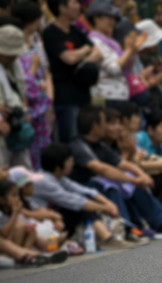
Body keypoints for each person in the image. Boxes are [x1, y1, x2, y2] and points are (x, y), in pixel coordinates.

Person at [69, 105, 162, 240]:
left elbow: (122, 163)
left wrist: (140, 175)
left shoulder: (100, 145)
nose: (106, 127)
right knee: (115, 185)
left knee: (130, 182)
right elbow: (102, 169)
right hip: (86, 187)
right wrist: (133, 179)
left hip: (102, 183)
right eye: (105, 122)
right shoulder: (79, 145)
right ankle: (128, 227)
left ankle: (161, 223)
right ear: (95, 126)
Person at [31, 143, 132, 249]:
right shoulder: (45, 181)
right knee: (82, 205)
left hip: (53, 219)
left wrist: (108, 203)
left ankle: (107, 237)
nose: (72, 163)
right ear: (58, 166)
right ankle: (107, 238)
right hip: (41, 220)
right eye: (69, 161)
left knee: (85, 200)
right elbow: (73, 201)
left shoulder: (59, 177)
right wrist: (104, 208)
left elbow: (84, 190)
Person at [43, 0, 103, 143]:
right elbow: (68, 58)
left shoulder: (76, 30)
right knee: (71, 139)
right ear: (62, 8)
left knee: (87, 138)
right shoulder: (50, 32)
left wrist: (82, 59)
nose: (78, 6)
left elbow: (98, 53)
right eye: (74, 3)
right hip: (65, 97)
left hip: (84, 94)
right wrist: (86, 50)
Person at [12, 1, 54, 169]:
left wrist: (49, 91)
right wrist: (33, 69)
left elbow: (46, 72)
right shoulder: (16, 48)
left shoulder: (37, 42)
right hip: (29, 106)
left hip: (44, 104)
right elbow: (23, 78)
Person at [86, 0, 134, 106]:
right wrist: (128, 50)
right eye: (109, 18)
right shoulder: (94, 41)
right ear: (97, 18)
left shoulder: (112, 43)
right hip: (105, 98)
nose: (112, 22)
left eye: (114, 19)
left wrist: (132, 52)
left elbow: (127, 69)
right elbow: (114, 68)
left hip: (119, 96)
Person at [0, 23, 33, 169]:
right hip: (2, 134)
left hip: (17, 129)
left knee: (23, 174)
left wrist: (24, 111)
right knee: (4, 177)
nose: (14, 56)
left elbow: (21, 90)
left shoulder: (15, 65)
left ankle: (22, 191)